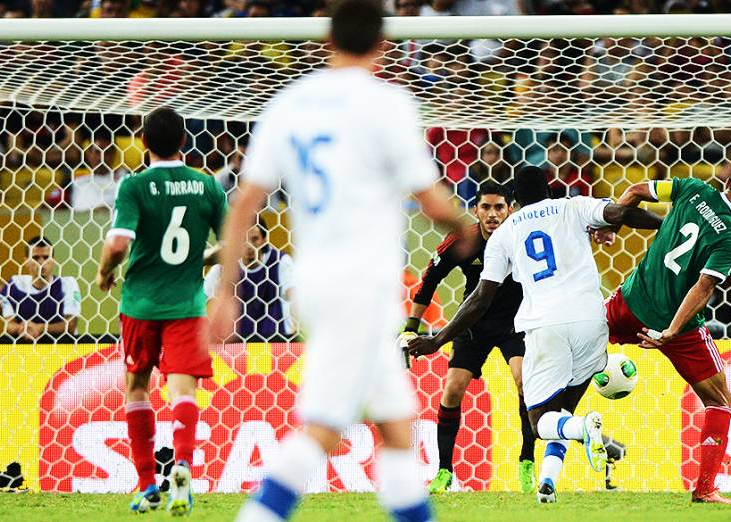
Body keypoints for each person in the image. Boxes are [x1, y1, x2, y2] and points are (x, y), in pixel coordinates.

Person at [209, 2, 474, 520]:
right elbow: (434, 203)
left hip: (314, 279)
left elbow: (246, 199)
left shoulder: (290, 102)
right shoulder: (387, 104)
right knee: (324, 428)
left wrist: (225, 290)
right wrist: (465, 227)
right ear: (384, 44)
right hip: (362, 283)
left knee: (398, 425)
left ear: (327, 37)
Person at [408, 166, 663, 504]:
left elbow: (480, 297)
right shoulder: (573, 206)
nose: (493, 213)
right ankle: (546, 483)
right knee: (562, 409)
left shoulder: (506, 233)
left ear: (513, 202)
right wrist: (665, 224)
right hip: (591, 321)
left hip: (541, 325)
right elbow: (620, 212)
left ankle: (576, 434)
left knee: (542, 418)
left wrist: (435, 339)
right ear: (549, 190)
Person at [599, 163, 731, 505]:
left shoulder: (692, 188)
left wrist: (611, 226)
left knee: (573, 350)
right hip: (677, 328)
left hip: (629, 303)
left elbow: (634, 190)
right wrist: (671, 331)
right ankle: (705, 488)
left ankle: (551, 436)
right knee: (719, 401)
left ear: (727, 180)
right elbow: (704, 286)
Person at [95, 107, 227, 516]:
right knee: (183, 391)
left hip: (141, 304)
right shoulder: (207, 187)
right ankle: (183, 466)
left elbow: (118, 244)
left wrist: (103, 273)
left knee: (137, 388)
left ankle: (148, 483)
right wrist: (199, 260)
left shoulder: (134, 186)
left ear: (144, 142)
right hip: (187, 305)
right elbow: (234, 245)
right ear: (185, 142)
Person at [405, 182, 537, 494]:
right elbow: (429, 280)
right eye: (486, 208)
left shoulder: (521, 238)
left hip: (515, 323)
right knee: (452, 390)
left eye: (499, 208)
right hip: (473, 323)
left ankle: (527, 461)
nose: (493, 215)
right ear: (475, 210)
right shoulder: (462, 241)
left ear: (510, 210)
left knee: (523, 382)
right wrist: (411, 325)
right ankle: (444, 471)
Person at [204, 217, 295, 341]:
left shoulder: (281, 262)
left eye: (255, 239)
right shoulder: (225, 266)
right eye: (243, 240)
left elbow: (294, 295)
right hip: (237, 345)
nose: (249, 246)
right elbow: (202, 297)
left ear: (264, 240)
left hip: (276, 341)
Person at [0, 237, 80, 340]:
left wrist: (40, 328)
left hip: (63, 350)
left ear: (53, 260)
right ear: (26, 261)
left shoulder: (67, 284)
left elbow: (71, 326)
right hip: (26, 351)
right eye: (36, 258)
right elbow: (9, 325)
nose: (41, 262)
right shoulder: (15, 285)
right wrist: (23, 328)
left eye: (46, 257)